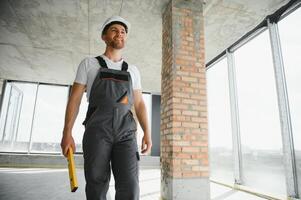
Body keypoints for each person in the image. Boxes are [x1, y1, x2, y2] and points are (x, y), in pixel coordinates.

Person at [60, 16, 152, 200]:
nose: (120, 34)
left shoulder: (132, 70)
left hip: (126, 132)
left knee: (130, 184)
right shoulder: (89, 64)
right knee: (96, 182)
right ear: (104, 36)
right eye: (115, 30)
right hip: (97, 131)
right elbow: (75, 99)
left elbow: (139, 103)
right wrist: (67, 132)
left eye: (123, 32)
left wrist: (147, 133)